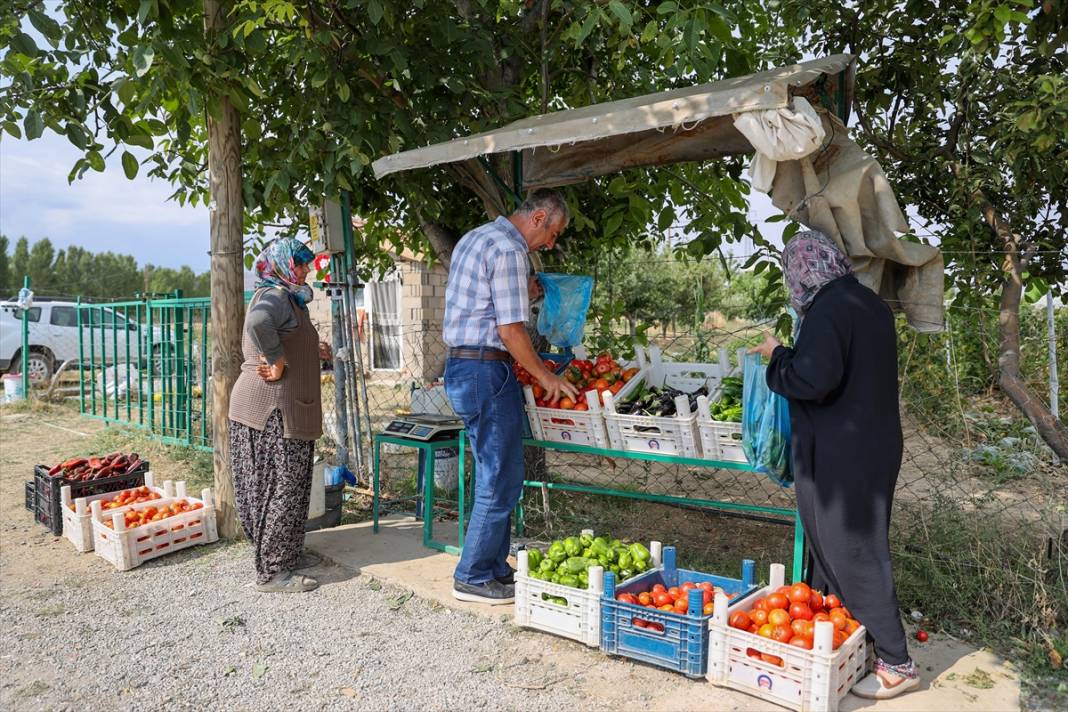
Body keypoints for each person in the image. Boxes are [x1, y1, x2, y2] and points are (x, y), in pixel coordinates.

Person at [749, 230, 919, 699]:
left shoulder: (828, 309)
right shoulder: (868, 304)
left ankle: (897, 661)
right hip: (867, 445)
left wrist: (777, 356)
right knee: (830, 543)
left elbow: (813, 379)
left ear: (800, 270)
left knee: (853, 551)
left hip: (845, 454)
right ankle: (843, 636)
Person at [443, 189, 579, 604]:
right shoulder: (508, 250)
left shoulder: (477, 237)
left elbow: (483, 306)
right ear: (538, 217)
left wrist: (528, 291)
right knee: (499, 475)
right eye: (552, 233)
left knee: (499, 470)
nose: (551, 244)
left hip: (466, 367)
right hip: (485, 369)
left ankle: (496, 567)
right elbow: (509, 330)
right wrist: (545, 376)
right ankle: (473, 574)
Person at [229, 237, 327, 593]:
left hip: (279, 409)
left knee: (290, 486)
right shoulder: (275, 295)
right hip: (270, 410)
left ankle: (285, 554)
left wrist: (310, 350)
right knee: (281, 488)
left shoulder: (290, 297)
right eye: (300, 264)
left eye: (306, 264)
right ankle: (272, 572)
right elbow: (258, 323)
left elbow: (285, 335)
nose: (305, 270)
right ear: (283, 265)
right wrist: (278, 360)